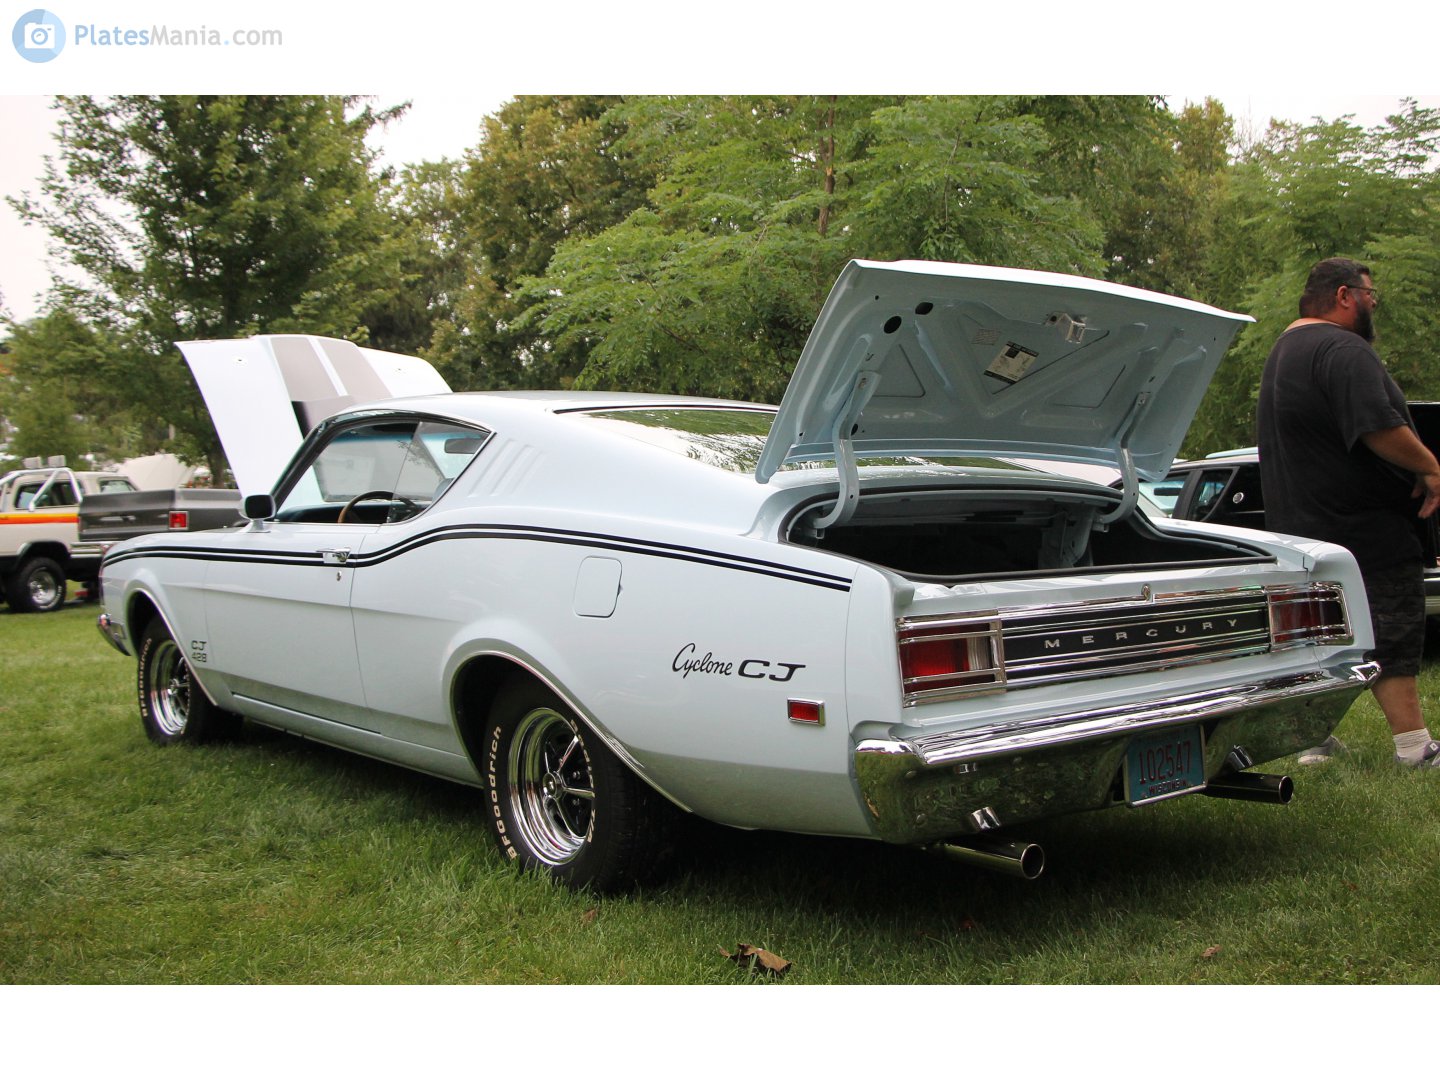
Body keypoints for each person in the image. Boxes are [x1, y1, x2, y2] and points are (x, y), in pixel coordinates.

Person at [1257, 257, 1440, 768]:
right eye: (1369, 295)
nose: (1372, 304)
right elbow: (1376, 426)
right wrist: (1429, 466)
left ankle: (1312, 741)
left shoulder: (1284, 352)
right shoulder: (1342, 348)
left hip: (1304, 531)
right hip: (1366, 532)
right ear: (1344, 295)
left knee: (1321, 634)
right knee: (1391, 627)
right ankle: (1414, 747)